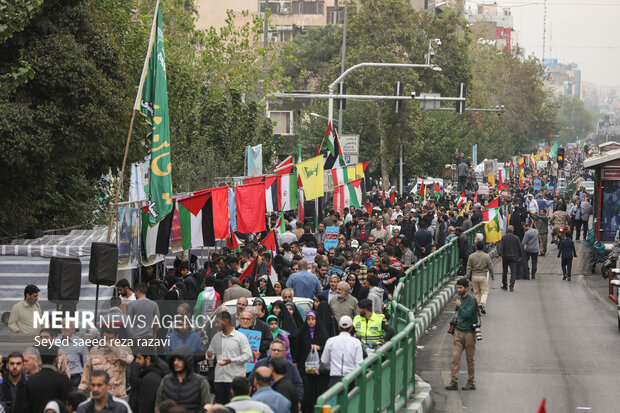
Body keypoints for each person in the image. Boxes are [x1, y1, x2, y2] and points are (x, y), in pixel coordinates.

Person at [207, 311, 252, 404]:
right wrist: (209, 355)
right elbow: (210, 353)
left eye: (218, 322)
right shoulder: (216, 337)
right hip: (219, 379)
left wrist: (231, 360)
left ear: (226, 321)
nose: (216, 325)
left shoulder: (240, 337)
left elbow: (248, 356)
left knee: (233, 406)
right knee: (221, 406)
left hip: (235, 379)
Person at [79, 327, 133, 400]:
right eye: (105, 338)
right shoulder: (94, 350)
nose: (107, 341)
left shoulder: (124, 349)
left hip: (117, 396)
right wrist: (82, 388)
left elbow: (129, 360)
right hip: (97, 395)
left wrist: (114, 350)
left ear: (116, 337)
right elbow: (87, 371)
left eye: (110, 339)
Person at [155, 345, 213, 413]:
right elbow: (158, 406)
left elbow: (207, 406)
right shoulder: (165, 381)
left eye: (179, 359)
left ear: (187, 360)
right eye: (174, 360)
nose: (175, 362)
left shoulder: (201, 383)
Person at [445, 278, 478, 391]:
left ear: (466, 288)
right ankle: (454, 380)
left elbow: (467, 314)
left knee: (470, 358)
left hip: (469, 333)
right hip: (458, 332)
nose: (458, 290)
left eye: (460, 288)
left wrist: (460, 306)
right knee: (455, 357)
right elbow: (458, 315)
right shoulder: (459, 299)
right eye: (457, 288)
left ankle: (471, 381)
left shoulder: (472, 300)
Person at [293, 311, 329, 413]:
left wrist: (320, 348)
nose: (310, 322)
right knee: (307, 390)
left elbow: (327, 347)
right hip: (305, 368)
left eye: (313, 319)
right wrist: (296, 361)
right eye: (308, 319)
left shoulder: (322, 332)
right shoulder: (302, 333)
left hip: (319, 369)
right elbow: (298, 349)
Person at [23, 346, 72, 413]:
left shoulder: (31, 379)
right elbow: (68, 403)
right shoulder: (62, 379)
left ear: (40, 358)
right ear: (56, 359)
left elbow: (27, 406)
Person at [320, 316, 363, 386]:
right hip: (351, 379)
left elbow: (324, 361)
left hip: (335, 379)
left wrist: (333, 367)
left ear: (339, 327)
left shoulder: (330, 341)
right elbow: (359, 364)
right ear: (351, 328)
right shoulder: (356, 342)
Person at [132, 347, 170, 413]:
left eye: (139, 358)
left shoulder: (150, 379)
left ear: (148, 359)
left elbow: (146, 405)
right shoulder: (151, 373)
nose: (136, 361)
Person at [466, 241, 494, 314]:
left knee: (476, 292)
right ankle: (482, 303)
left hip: (474, 276)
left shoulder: (471, 256)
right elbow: (490, 266)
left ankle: (478, 306)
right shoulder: (486, 256)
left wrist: (467, 277)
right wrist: (492, 275)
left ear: (476, 247)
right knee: (484, 292)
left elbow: (469, 267)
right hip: (483, 276)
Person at [497, 225, 524, 292]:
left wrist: (500, 255)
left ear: (507, 230)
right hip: (514, 257)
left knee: (504, 271)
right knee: (513, 272)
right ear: (513, 231)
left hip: (505, 256)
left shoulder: (504, 238)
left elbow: (501, 247)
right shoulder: (516, 238)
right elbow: (520, 247)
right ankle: (511, 286)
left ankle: (505, 285)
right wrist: (520, 256)